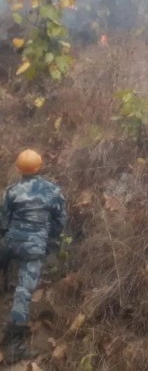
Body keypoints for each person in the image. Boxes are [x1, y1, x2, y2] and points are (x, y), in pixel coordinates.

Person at [0, 149, 67, 364]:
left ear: (18, 169)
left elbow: (3, 222)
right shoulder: (53, 191)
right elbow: (60, 222)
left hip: (10, 242)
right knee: (23, 290)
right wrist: (48, 240)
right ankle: (15, 343)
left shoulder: (11, 192)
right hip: (34, 247)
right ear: (41, 167)